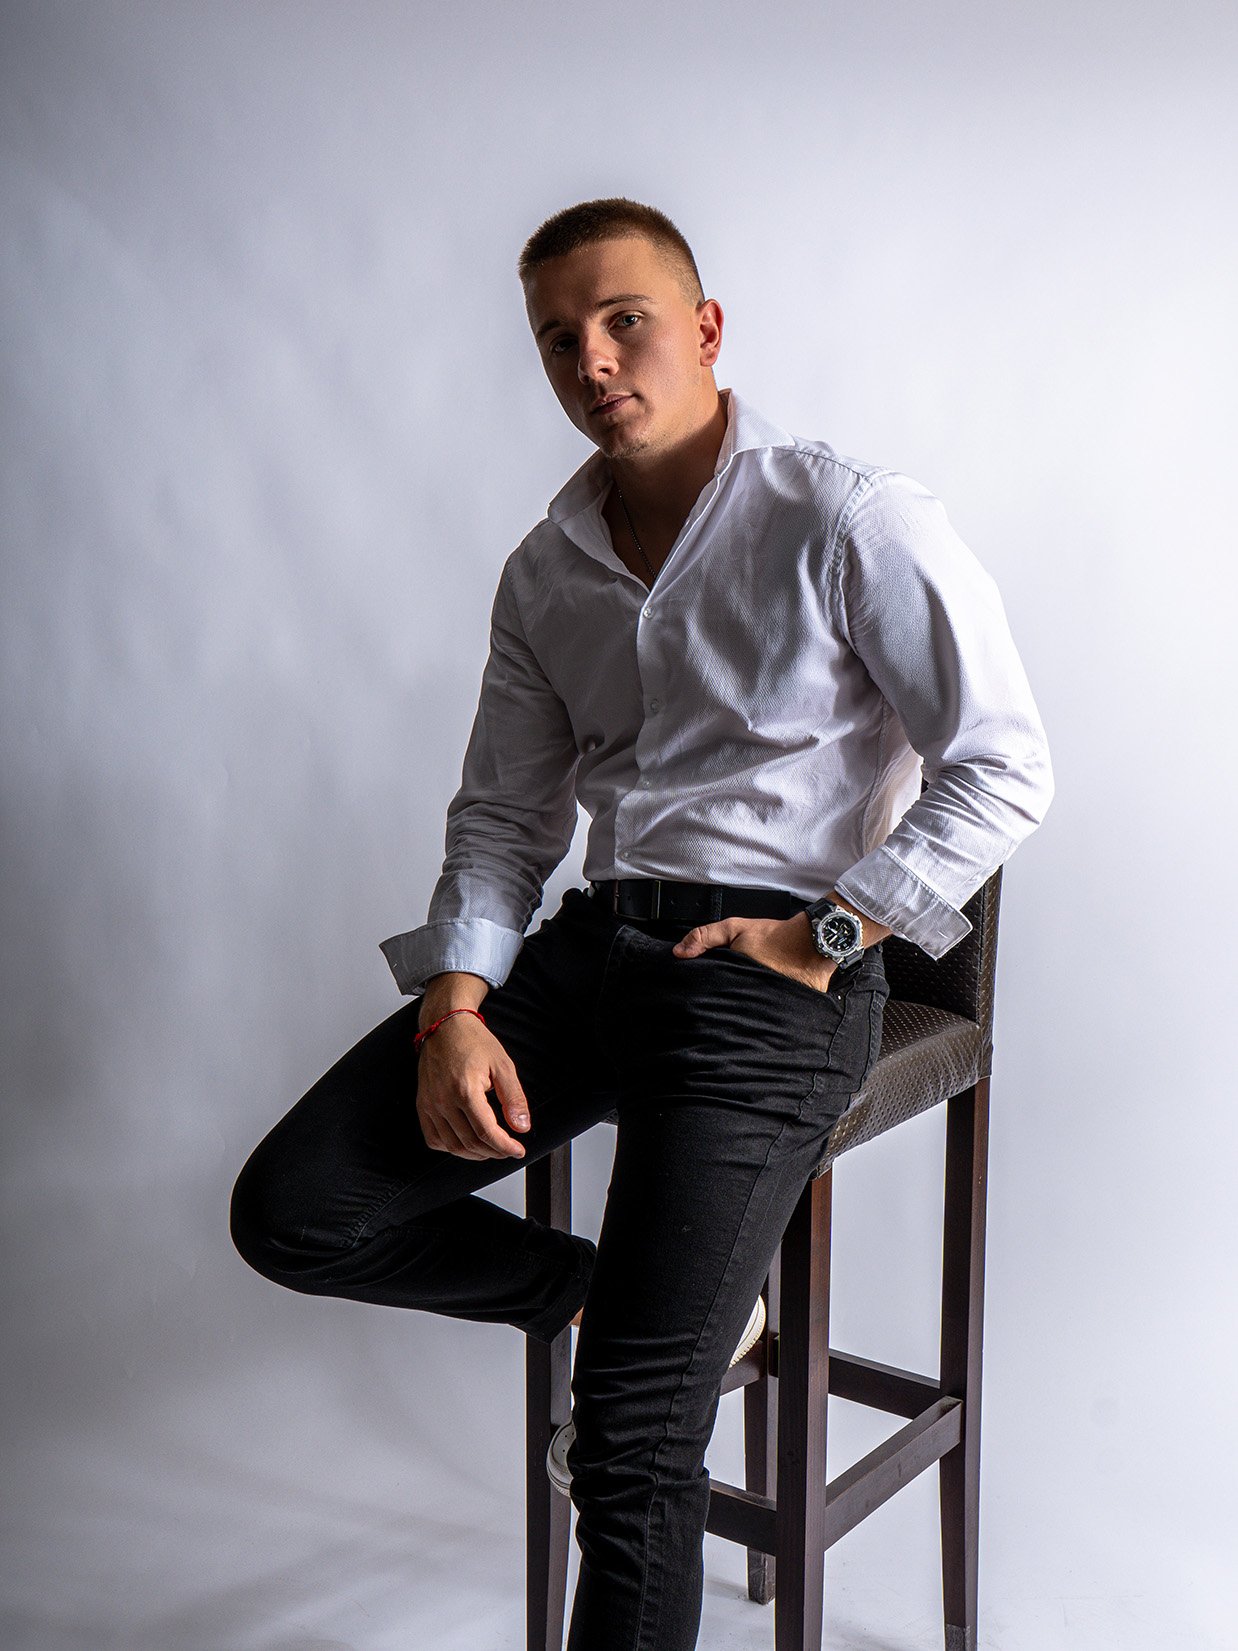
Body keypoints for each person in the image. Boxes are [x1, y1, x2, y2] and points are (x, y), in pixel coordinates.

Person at [230, 196, 1053, 1651]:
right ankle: (626, 1307)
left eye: (625, 322)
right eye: (559, 339)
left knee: (627, 1447)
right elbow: (503, 820)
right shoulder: (544, 571)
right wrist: (455, 1008)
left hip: (775, 979)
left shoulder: (845, 516)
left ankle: (646, 1353)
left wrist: (832, 935)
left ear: (706, 328)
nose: (593, 360)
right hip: (591, 955)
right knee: (297, 1210)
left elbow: (1004, 767)